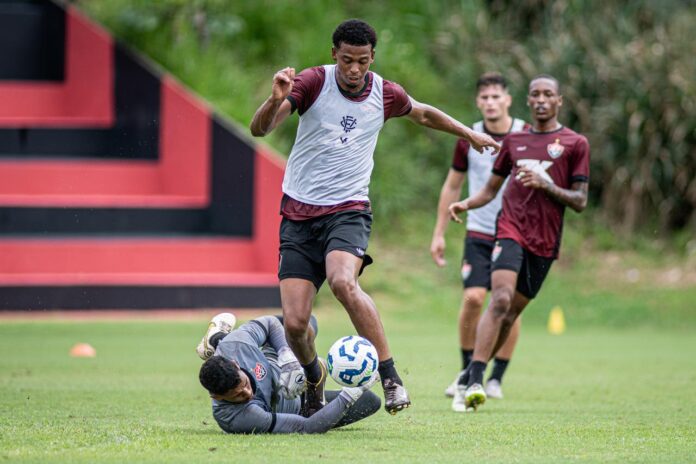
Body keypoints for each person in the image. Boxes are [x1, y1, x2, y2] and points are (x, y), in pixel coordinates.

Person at [249, 19, 500, 416]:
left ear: (372, 58)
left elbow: (423, 114)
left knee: (343, 281)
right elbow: (260, 129)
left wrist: (468, 134)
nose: (354, 69)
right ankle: (314, 382)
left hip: (348, 210)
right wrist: (273, 99)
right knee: (295, 324)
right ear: (334, 54)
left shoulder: (385, 93)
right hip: (298, 213)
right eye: (347, 60)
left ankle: (390, 377)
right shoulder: (313, 82)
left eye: (362, 61)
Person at [448, 74, 590, 412]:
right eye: (535, 94)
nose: (541, 100)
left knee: (511, 314)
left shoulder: (575, 144)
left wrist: (546, 184)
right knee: (499, 299)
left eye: (548, 94)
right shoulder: (514, 141)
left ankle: (469, 375)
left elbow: (580, 200)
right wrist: (465, 204)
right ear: (528, 100)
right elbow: (490, 189)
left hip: (545, 240)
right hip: (510, 228)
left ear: (559, 101)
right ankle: (475, 380)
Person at [430, 72, 529, 404]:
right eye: (484, 97)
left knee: (507, 303)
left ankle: (496, 376)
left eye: (496, 96)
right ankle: (466, 371)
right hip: (479, 231)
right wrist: (439, 233)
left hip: (515, 233)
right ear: (478, 102)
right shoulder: (467, 137)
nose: (490, 102)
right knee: (473, 299)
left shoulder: (525, 135)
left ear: (508, 100)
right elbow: (452, 185)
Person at [197, 312, 381, 434]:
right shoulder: (237, 418)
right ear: (217, 397)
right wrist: (352, 393)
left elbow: (270, 323)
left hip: (274, 359)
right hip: (301, 408)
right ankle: (314, 385)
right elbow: (307, 427)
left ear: (235, 364)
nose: (247, 393)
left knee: (305, 324)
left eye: (244, 384)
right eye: (237, 395)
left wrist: (288, 358)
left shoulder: (236, 345)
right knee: (370, 401)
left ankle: (217, 339)